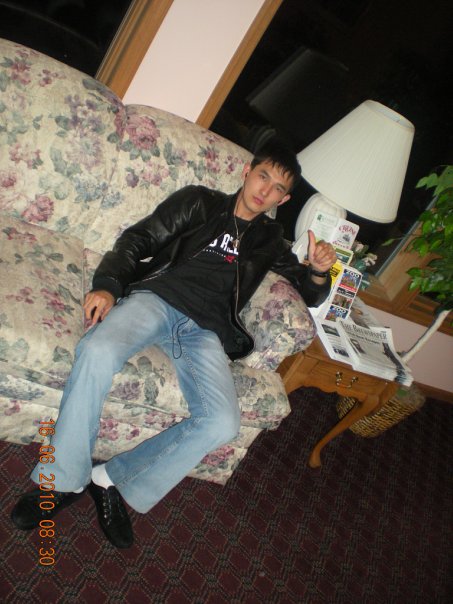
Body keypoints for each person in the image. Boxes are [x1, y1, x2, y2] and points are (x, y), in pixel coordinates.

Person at [11, 140, 337, 548]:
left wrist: (320, 271)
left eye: (277, 188)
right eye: (262, 176)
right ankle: (63, 480)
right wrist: (109, 285)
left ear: (283, 200)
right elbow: (140, 238)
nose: (265, 190)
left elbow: (309, 292)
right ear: (247, 172)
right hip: (157, 301)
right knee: (96, 350)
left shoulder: (270, 239)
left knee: (223, 422)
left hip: (204, 331)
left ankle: (109, 478)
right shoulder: (199, 202)